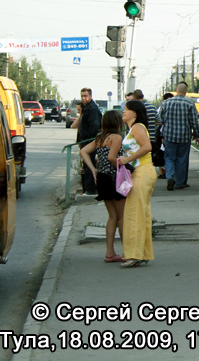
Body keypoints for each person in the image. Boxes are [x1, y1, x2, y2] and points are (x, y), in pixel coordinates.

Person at [79, 110, 126, 262]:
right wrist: (124, 166)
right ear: (117, 123)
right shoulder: (116, 137)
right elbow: (113, 157)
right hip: (115, 178)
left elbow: (84, 151)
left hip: (102, 178)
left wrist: (94, 170)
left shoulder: (100, 138)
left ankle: (110, 252)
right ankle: (128, 251)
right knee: (122, 216)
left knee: (112, 216)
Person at [118, 100, 156, 268]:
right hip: (141, 171)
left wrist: (127, 159)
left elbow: (147, 146)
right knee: (141, 213)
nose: (124, 112)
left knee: (133, 214)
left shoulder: (137, 127)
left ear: (135, 113)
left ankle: (134, 254)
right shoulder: (132, 128)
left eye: (127, 109)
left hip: (143, 170)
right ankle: (142, 252)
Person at [157, 81, 199, 191]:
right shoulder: (189, 104)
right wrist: (197, 134)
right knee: (182, 159)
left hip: (169, 136)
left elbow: (159, 120)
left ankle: (170, 177)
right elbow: (194, 121)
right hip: (184, 136)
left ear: (176, 90)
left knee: (169, 158)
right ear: (186, 92)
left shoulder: (166, 103)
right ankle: (180, 182)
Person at [130, 89, 163, 178]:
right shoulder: (152, 107)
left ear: (134, 98)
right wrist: (152, 123)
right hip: (151, 138)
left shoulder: (136, 109)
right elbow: (160, 121)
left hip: (138, 138)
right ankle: (149, 176)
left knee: (140, 160)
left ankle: (142, 177)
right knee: (149, 159)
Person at [76, 88, 102, 195]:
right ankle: (88, 188)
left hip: (90, 140)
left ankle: (90, 189)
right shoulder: (87, 107)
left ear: (90, 96)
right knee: (87, 165)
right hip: (86, 140)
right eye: (82, 96)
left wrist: (90, 139)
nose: (84, 98)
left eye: (85, 96)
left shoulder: (92, 108)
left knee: (89, 164)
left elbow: (95, 125)